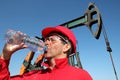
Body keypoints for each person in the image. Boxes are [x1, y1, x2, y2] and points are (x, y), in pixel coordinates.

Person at [0, 26, 92, 80]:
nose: (46, 43)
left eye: (51, 40)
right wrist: (5, 55)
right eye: (46, 40)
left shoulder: (81, 76)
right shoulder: (35, 75)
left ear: (66, 47)